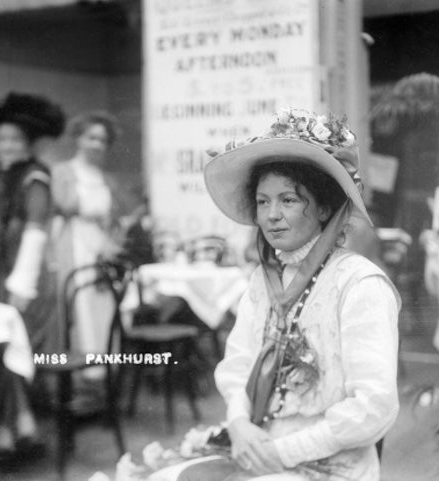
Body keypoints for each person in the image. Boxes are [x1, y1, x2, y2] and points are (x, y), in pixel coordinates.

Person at [169, 109, 401, 481]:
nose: (272, 215)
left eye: (288, 200)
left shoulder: (359, 284)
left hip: (329, 462)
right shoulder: (263, 279)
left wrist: (283, 452)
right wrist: (240, 425)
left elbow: (374, 405)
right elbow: (238, 365)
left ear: (324, 207)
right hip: (257, 444)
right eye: (263, 202)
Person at [0, 92, 65, 454]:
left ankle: (11, 429)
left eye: (15, 139)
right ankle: (20, 425)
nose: (7, 146)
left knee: (6, 348)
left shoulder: (34, 177)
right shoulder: (4, 177)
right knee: (0, 349)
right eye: (1, 138)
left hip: (28, 283)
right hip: (3, 278)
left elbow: (35, 232)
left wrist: (21, 285)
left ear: (29, 143)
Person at [51, 111, 122, 361]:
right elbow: (58, 211)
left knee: (102, 304)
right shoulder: (62, 172)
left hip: (100, 246)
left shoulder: (105, 178)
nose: (97, 145)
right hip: (73, 244)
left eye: (102, 141)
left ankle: (104, 368)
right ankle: (81, 369)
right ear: (78, 138)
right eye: (91, 138)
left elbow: (113, 219)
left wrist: (110, 243)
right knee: (77, 305)